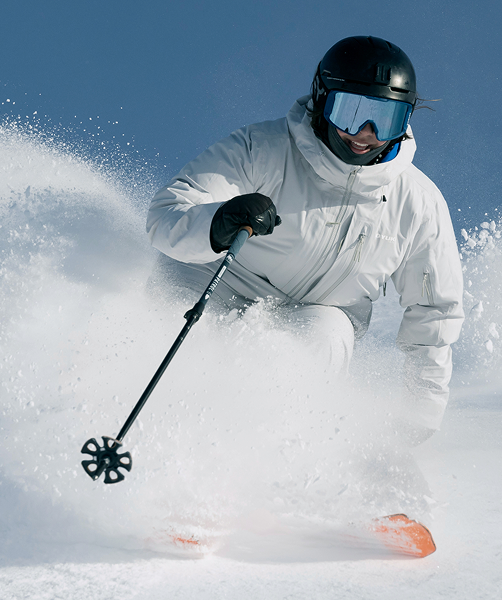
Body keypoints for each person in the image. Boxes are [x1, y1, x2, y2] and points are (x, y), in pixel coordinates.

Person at [146, 36, 465, 444]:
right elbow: (166, 215)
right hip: (217, 281)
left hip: (318, 312)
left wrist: (418, 417)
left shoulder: (417, 202)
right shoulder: (262, 148)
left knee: (320, 343)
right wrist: (218, 221)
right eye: (351, 112)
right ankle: (141, 428)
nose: (365, 134)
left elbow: (434, 311)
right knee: (173, 329)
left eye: (386, 120)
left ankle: (261, 469)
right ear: (322, 99)